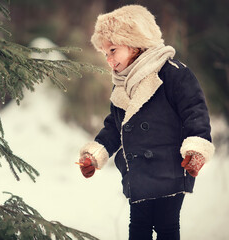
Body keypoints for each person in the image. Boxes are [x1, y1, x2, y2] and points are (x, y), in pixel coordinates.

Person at [77, 5, 215, 240]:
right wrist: (96, 154)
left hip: (171, 168)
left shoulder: (173, 73)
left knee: (166, 226)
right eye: (105, 54)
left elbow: (195, 112)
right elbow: (115, 125)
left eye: (113, 50)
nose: (109, 60)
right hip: (138, 172)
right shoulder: (122, 84)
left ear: (135, 42)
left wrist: (196, 148)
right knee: (138, 227)